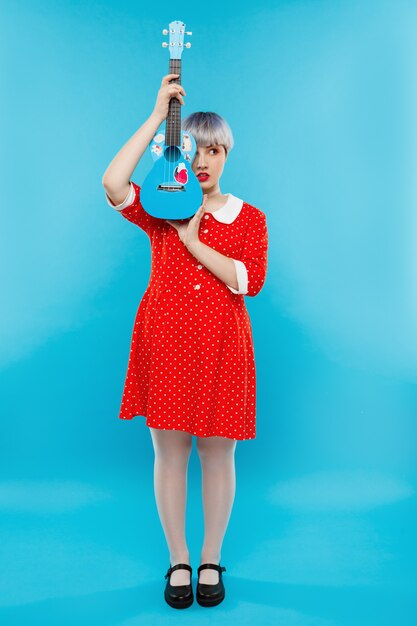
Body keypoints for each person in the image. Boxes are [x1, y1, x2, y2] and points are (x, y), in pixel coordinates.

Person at [102, 73, 269, 609]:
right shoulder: (161, 206)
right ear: (179, 153)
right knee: (170, 454)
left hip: (222, 345)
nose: (203, 160)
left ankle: (211, 558)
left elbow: (249, 280)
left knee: (218, 456)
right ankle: (178, 560)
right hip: (166, 341)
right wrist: (156, 115)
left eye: (213, 150)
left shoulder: (250, 218)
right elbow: (111, 183)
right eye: (193, 149)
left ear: (227, 155)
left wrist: (194, 242)